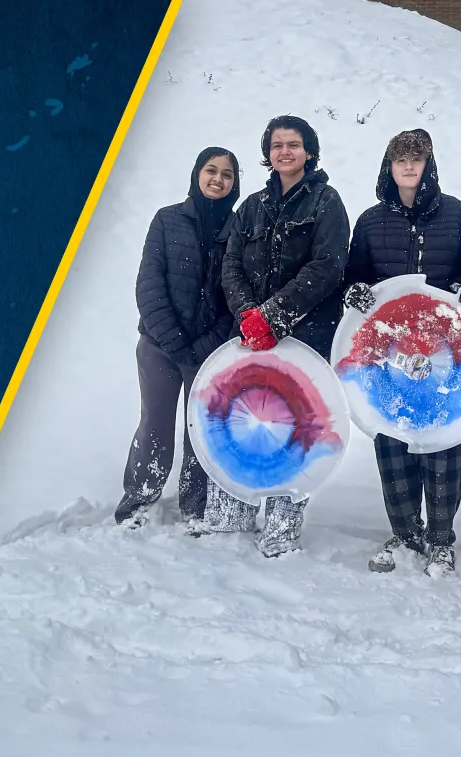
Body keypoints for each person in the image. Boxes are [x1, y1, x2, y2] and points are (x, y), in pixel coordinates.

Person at [341, 129, 461, 577]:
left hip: (449, 355)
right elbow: (352, 278)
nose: (408, 166)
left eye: (416, 159)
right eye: (400, 159)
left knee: (442, 444)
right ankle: (404, 533)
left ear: (429, 164)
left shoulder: (458, 216)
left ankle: (441, 540)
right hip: (385, 358)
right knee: (393, 438)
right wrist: (355, 292)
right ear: (389, 166)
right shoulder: (370, 221)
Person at [206, 115, 351, 558]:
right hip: (249, 336)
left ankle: (282, 522)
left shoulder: (327, 202)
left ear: (310, 150)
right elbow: (231, 263)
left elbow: (327, 266)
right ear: (267, 153)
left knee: (292, 427)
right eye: (276, 145)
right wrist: (248, 314)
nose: (284, 152)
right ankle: (232, 512)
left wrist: (274, 314)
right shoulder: (251, 204)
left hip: (303, 336)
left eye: (293, 144)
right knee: (242, 418)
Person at [113, 147, 242, 532]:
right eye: (210, 170)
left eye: (227, 174)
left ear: (235, 183)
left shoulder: (238, 230)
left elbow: (237, 296)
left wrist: (203, 346)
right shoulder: (167, 220)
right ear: (197, 174)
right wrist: (174, 340)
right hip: (158, 345)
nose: (217, 179)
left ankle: (196, 506)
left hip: (209, 353)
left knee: (200, 431)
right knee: (155, 424)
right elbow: (149, 284)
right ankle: (138, 500)